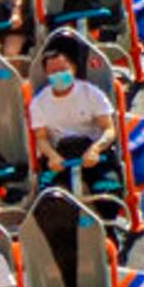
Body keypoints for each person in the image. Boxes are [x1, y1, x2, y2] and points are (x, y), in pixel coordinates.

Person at [27, 38, 121, 189]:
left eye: (63, 70)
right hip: (61, 153)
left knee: (108, 191)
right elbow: (41, 138)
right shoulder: (39, 103)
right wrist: (52, 156)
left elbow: (109, 129)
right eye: (53, 72)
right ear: (47, 74)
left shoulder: (91, 93)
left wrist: (95, 149)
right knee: (50, 197)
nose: (58, 75)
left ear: (73, 69)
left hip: (93, 149)